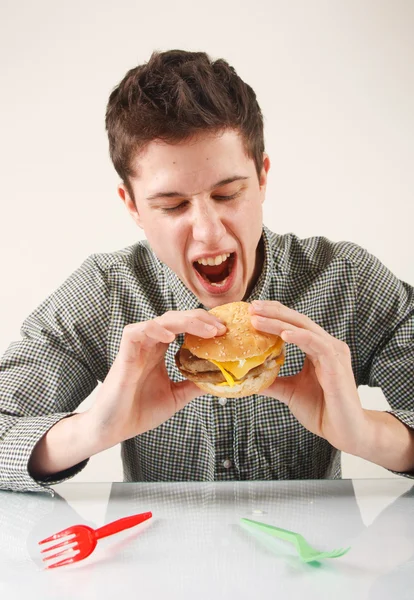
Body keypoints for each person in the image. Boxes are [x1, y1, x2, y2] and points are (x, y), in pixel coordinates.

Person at [0, 50, 412, 494]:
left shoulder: (347, 281)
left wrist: (370, 435)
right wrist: (91, 432)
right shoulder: (106, 291)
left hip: (319, 561)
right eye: (173, 205)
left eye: (228, 193)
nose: (209, 234)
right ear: (133, 206)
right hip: (156, 557)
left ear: (262, 178)